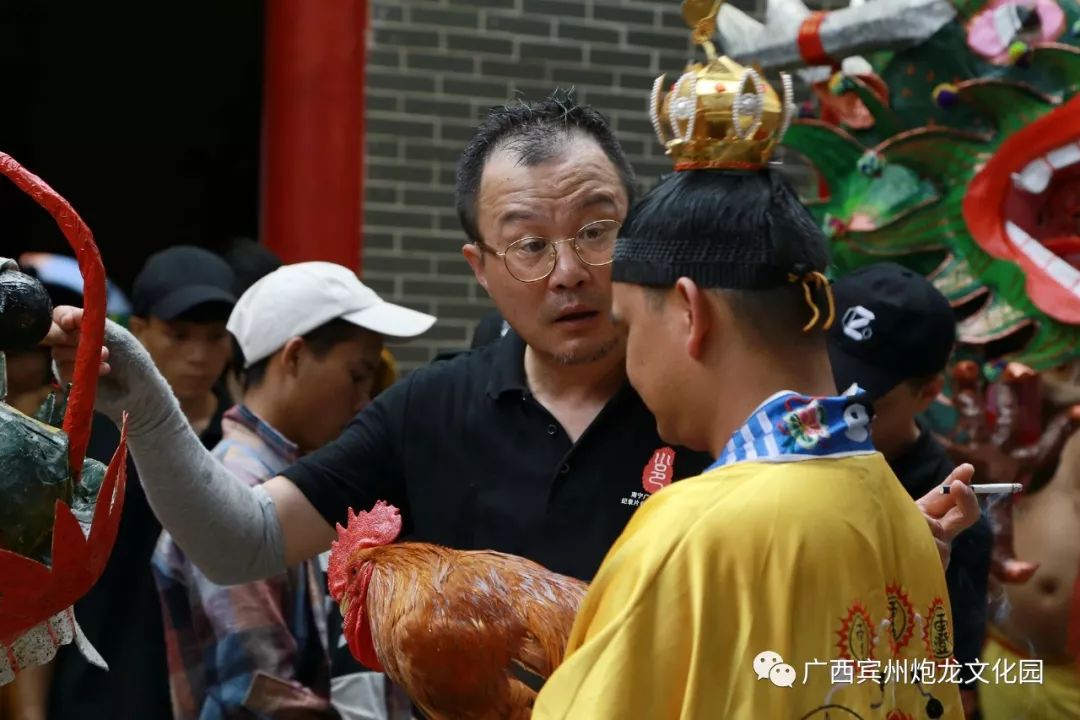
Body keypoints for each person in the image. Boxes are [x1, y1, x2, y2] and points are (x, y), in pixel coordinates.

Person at [44, 90, 975, 702]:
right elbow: (235, 538)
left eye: (599, 229)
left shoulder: (716, 424)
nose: (570, 273)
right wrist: (148, 406)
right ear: (480, 269)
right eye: (528, 245)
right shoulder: (429, 408)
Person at [531, 51, 974, 718]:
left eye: (628, 326)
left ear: (689, 311)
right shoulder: (899, 513)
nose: (629, 360)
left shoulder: (692, 532)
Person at [152, 261, 434, 719]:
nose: (364, 401)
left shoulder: (295, 478)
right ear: (295, 357)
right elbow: (260, 693)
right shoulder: (241, 486)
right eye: (357, 375)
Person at [47, 245, 237, 720]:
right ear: (140, 330)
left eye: (215, 337)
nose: (198, 355)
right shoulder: (84, 435)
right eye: (178, 335)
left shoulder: (240, 447)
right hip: (94, 693)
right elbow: (42, 581)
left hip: (208, 695)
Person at [826, 262, 993, 713]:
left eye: (862, 402)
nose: (829, 409)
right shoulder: (771, 457)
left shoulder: (955, 519)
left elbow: (950, 687)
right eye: (823, 378)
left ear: (928, 393)